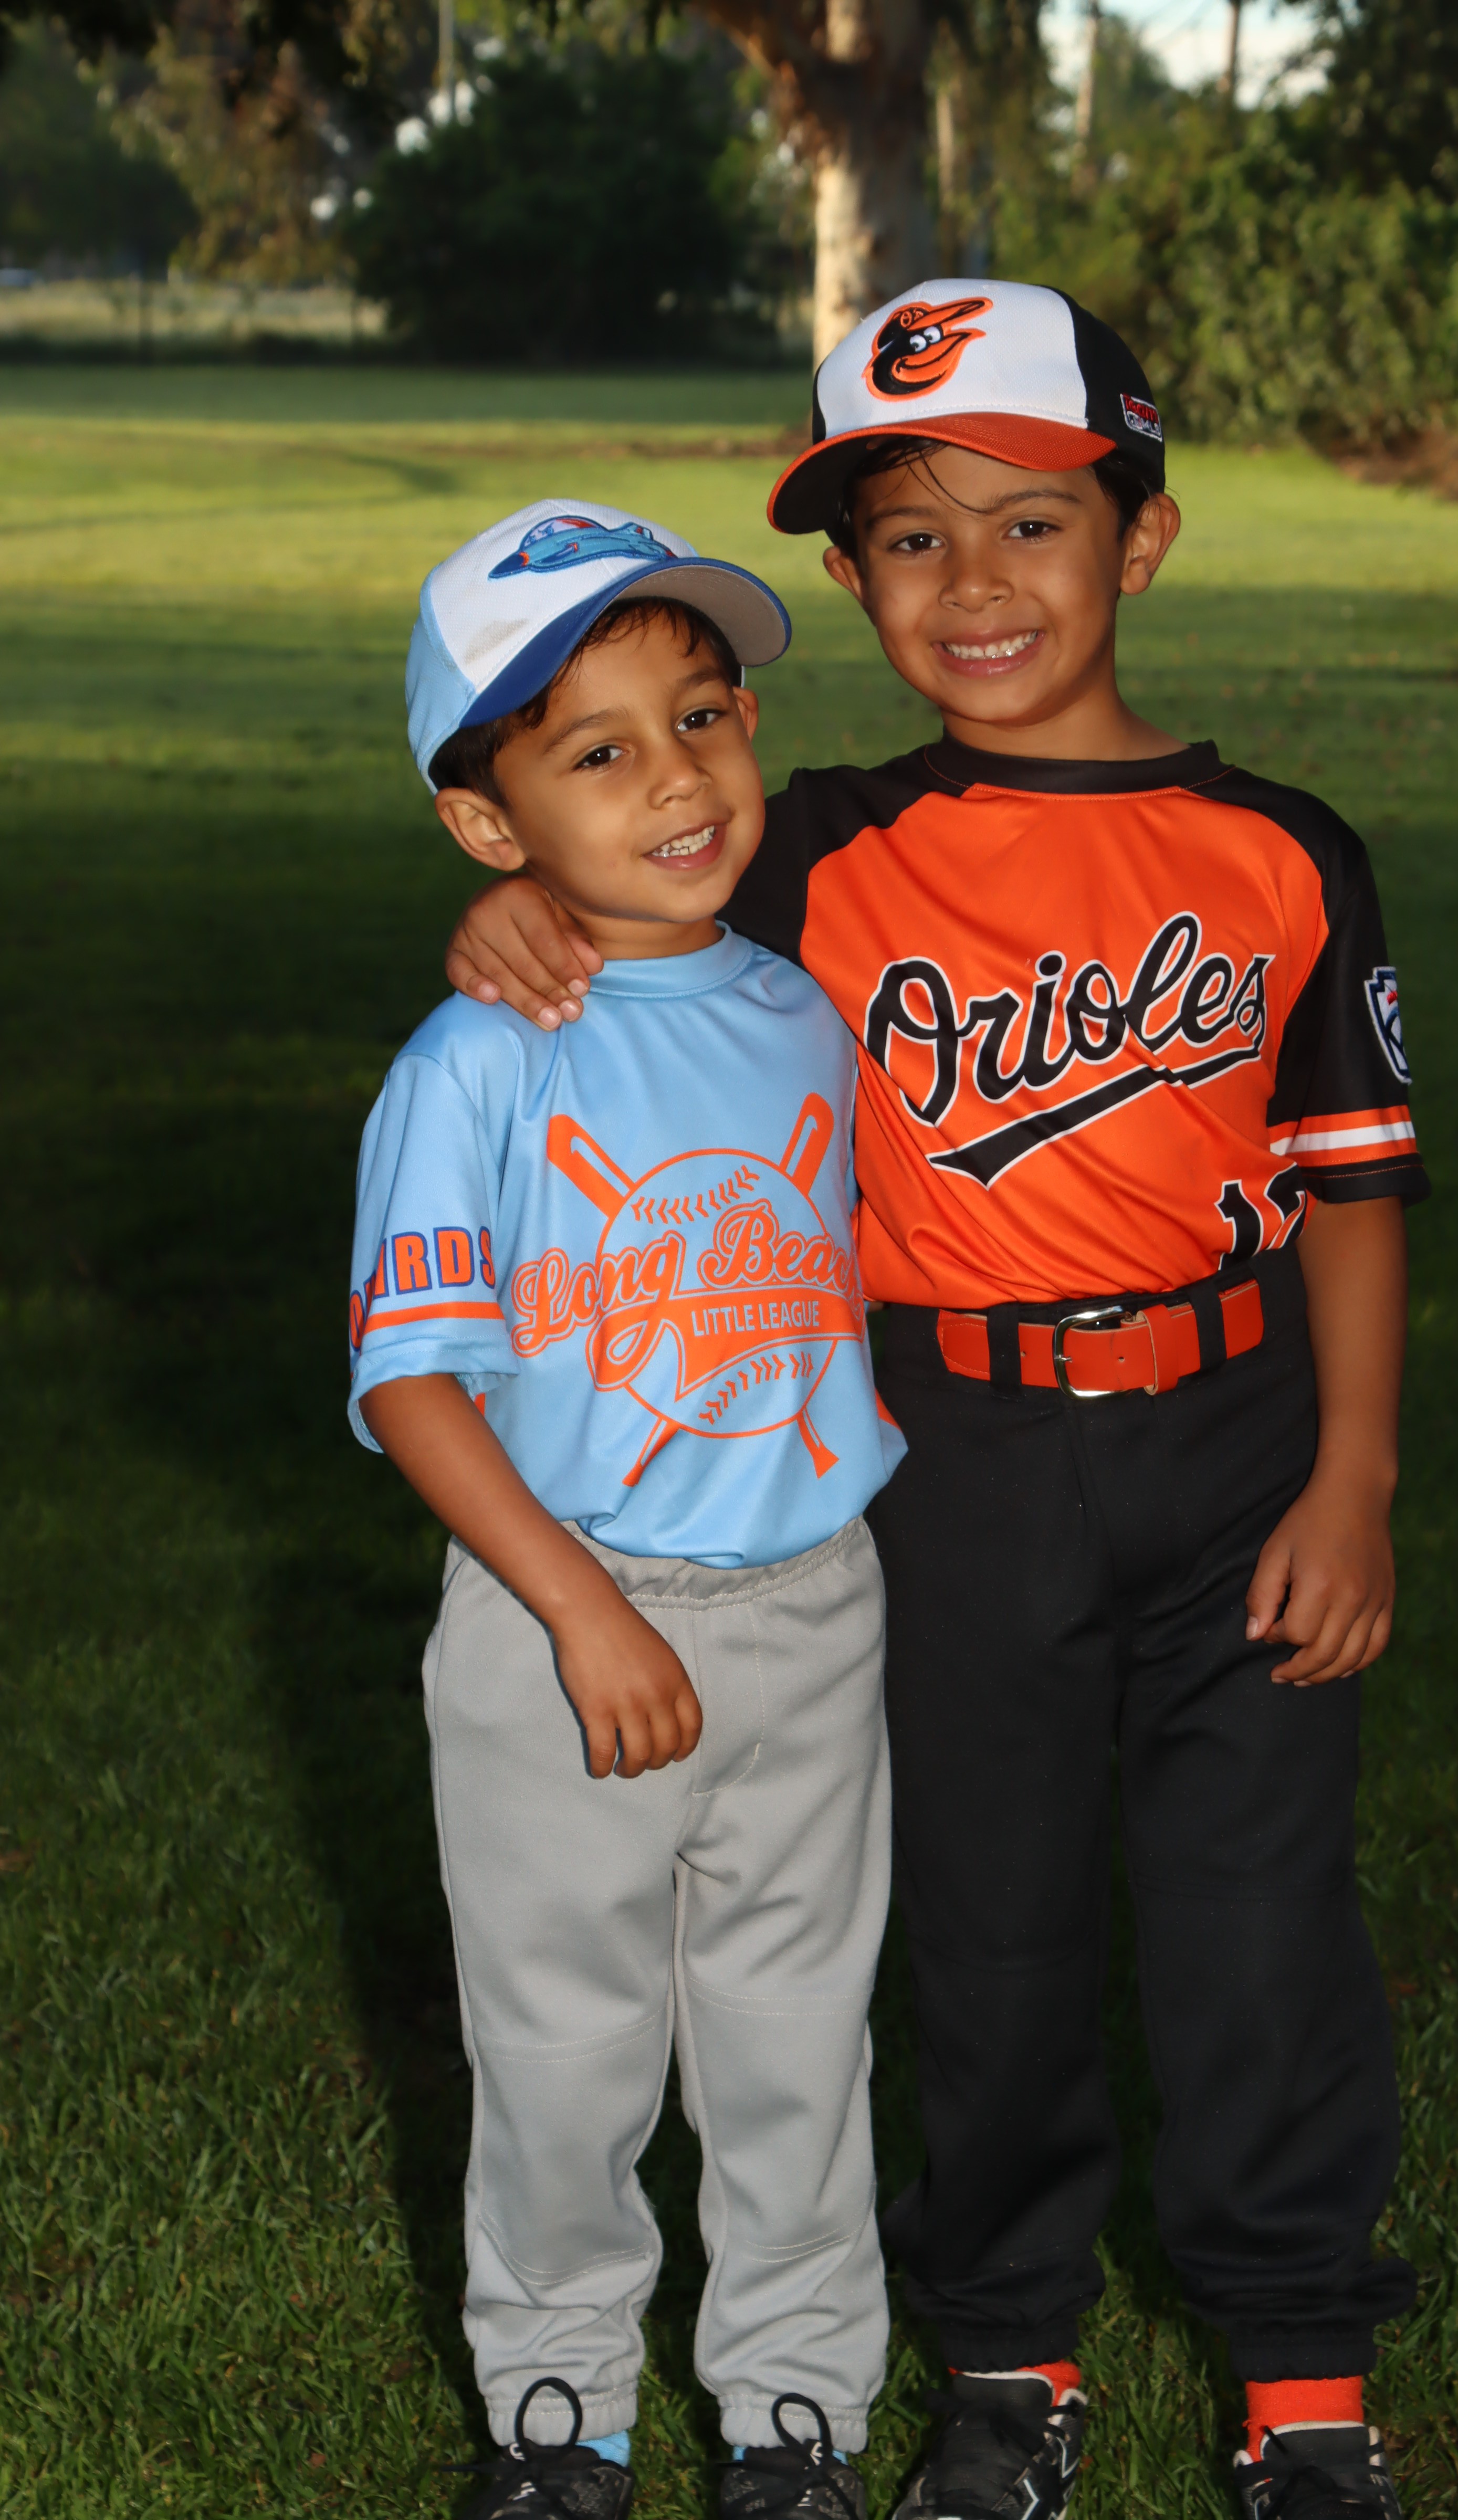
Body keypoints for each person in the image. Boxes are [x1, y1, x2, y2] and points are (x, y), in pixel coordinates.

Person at [439, 285, 1425, 2520]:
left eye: (1029, 522)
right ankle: (1006, 2359)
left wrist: (1355, 1475)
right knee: (986, 1927)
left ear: (1139, 538)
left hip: (1238, 1438)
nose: (971, 581)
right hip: (944, 1456)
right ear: (851, 575)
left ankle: (1301, 2382)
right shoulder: (804, 846)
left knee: (1258, 1922)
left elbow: (1354, 1190)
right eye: (907, 537)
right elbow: (591, 894)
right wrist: (497, 937)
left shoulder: (1283, 849)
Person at [350, 497, 907, 2520]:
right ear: (486, 823)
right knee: (566, 2048)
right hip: (561, 1618)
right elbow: (413, 1382)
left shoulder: (807, 1007)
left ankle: (792, 2413)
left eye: (705, 716)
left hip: (812, 1602)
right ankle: (560, 2414)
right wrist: (586, 1613)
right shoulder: (475, 1061)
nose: (678, 778)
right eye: (598, 751)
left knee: (798, 2041)